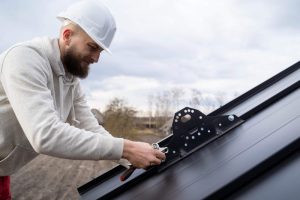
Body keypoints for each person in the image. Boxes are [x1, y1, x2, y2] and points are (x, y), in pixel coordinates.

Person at [0, 0, 165, 199]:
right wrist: (127, 148)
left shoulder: (70, 79)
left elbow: (89, 125)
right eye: (92, 47)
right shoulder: (25, 59)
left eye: (100, 51)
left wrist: (129, 158)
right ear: (67, 36)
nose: (96, 58)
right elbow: (45, 134)